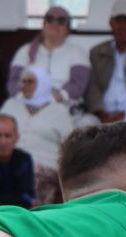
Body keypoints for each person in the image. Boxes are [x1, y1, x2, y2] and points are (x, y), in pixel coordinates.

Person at [4, 65, 75, 202]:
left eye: (29, 81)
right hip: (10, 161)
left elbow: (70, 144)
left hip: (43, 165)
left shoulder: (59, 111)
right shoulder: (11, 104)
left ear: (42, 83)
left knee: (33, 181)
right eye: (22, 81)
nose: (24, 85)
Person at [6, 5, 91, 107]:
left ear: (68, 30)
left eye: (61, 20)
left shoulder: (77, 53)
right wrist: (24, 98)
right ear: (43, 25)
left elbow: (78, 84)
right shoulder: (25, 51)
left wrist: (54, 98)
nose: (54, 24)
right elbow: (13, 81)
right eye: (50, 19)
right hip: (26, 103)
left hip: (64, 105)